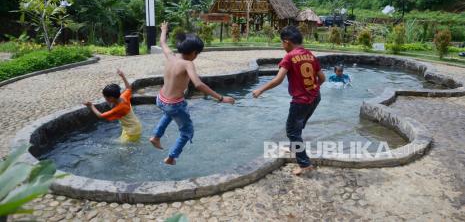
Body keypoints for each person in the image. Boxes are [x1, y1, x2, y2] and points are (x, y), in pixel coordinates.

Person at [150, 22, 235, 165]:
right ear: (194, 52)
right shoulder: (188, 64)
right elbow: (198, 84)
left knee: (168, 113)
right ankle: (171, 157)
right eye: (197, 54)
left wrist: (163, 30)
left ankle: (156, 137)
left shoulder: (171, 56)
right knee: (187, 132)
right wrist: (221, 98)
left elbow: (162, 42)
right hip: (174, 104)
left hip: (160, 99)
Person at [252, 26, 325, 176]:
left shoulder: (289, 56)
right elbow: (322, 78)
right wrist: (312, 89)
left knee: (292, 131)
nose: (282, 46)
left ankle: (304, 164)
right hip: (315, 97)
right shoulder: (310, 55)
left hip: (301, 101)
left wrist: (260, 89)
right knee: (297, 128)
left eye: (282, 43)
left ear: (287, 42)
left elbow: (278, 80)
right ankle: (295, 148)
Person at [84, 69, 142, 142]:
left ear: (111, 98)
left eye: (105, 97)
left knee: (124, 149)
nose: (104, 99)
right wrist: (122, 76)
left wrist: (91, 105)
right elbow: (128, 88)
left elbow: (100, 116)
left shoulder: (119, 108)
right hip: (133, 126)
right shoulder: (123, 96)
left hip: (132, 131)